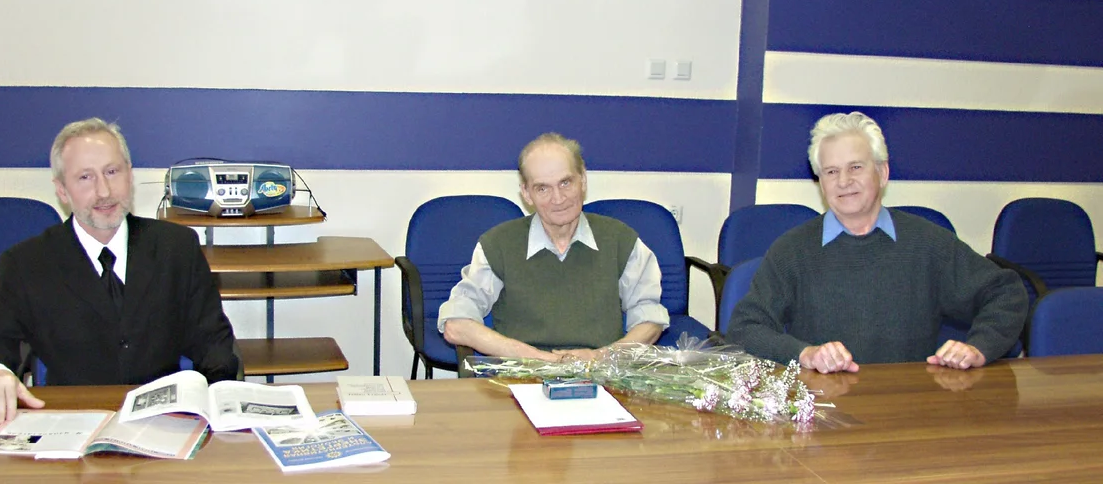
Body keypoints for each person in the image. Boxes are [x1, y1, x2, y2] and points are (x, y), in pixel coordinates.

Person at [0, 118, 240, 424]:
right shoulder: (28, 262)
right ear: (62, 191)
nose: (104, 191)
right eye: (85, 177)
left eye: (112, 172)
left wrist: (219, 405)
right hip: (72, 421)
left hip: (163, 421)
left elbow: (214, 342)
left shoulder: (177, 247)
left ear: (129, 175)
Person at [726, 112, 1027, 373]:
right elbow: (745, 327)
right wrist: (805, 354)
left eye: (856, 167)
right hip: (823, 405)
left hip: (908, 401)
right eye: (831, 172)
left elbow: (1005, 293)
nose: (844, 181)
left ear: (882, 173)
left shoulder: (928, 243)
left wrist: (978, 348)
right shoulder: (793, 251)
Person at [437, 133, 669, 362]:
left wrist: (600, 357)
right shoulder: (498, 245)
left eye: (565, 183)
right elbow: (456, 325)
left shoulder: (621, 240)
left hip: (602, 373)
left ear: (583, 180)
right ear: (526, 193)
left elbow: (650, 320)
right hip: (523, 372)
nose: (558, 199)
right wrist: (537, 358)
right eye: (543, 188)